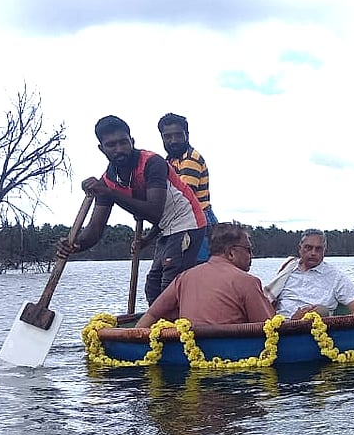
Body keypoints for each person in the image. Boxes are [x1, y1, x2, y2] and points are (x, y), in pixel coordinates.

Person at [58, 115, 206, 304]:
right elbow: (95, 229)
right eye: (111, 145)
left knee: (170, 286)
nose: (119, 149)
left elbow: (154, 211)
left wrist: (110, 193)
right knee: (153, 287)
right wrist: (75, 245)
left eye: (123, 142)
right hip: (165, 228)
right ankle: (160, 328)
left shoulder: (153, 163)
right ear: (101, 149)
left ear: (132, 141)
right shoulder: (108, 180)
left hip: (189, 223)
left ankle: (181, 327)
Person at [137, 223, 274, 328]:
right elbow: (270, 327)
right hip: (233, 358)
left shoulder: (184, 278)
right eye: (248, 250)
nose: (252, 255)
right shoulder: (248, 282)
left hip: (189, 355)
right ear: (231, 252)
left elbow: (152, 314)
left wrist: (134, 343)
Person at [158, 113, 218, 262]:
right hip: (181, 220)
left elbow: (183, 197)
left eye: (178, 135)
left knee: (199, 269)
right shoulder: (170, 161)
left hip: (198, 219)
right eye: (168, 136)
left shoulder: (191, 158)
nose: (173, 141)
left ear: (187, 135)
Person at [265, 229, 354, 319]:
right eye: (308, 248)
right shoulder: (287, 270)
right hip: (278, 327)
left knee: (320, 310)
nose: (313, 253)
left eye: (318, 249)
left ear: (324, 251)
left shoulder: (336, 277)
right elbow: (267, 299)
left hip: (315, 329)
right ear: (300, 248)